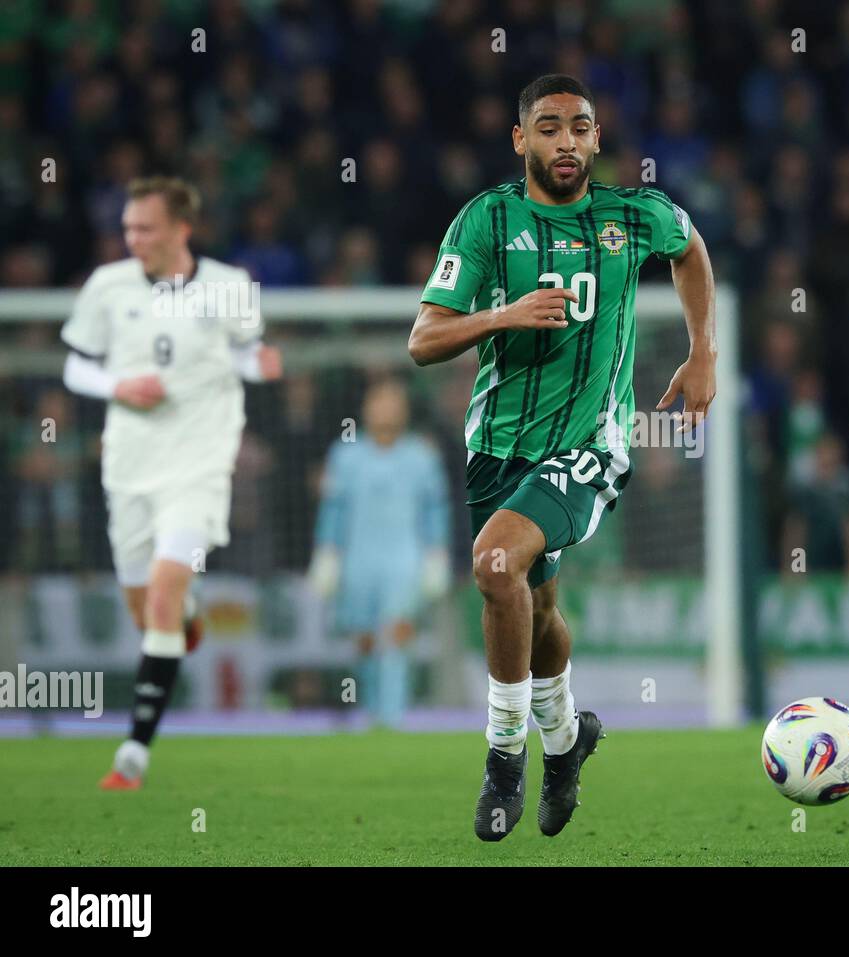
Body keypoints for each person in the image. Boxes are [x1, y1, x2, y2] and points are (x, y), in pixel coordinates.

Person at [407, 74, 717, 840]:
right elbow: (423, 340)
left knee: (494, 566)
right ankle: (568, 739)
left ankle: (504, 759)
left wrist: (702, 349)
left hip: (589, 443)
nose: (567, 141)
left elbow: (691, 247)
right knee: (535, 608)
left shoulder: (631, 215)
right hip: (496, 446)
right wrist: (503, 314)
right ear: (521, 141)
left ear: (597, 139)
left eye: (580, 127)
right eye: (549, 128)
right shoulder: (486, 220)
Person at [60, 176, 282, 789]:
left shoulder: (230, 287)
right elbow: (76, 365)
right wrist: (118, 386)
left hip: (201, 467)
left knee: (160, 592)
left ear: (181, 229)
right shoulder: (107, 288)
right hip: (129, 470)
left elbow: (243, 353)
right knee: (146, 607)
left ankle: (133, 753)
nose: (133, 238)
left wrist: (257, 364)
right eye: (128, 228)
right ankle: (182, 614)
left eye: (145, 228)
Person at [308, 378, 451, 727]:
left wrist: (437, 554)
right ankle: (372, 712)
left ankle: (394, 715)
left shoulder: (422, 455)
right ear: (366, 409)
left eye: (393, 402)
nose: (386, 409)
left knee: (396, 634)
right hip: (358, 559)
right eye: (379, 402)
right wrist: (326, 553)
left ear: (403, 411)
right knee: (365, 639)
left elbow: (436, 508)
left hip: (404, 558)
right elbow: (333, 510)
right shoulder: (344, 454)